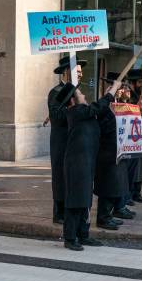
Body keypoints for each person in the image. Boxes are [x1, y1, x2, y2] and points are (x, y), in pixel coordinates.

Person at [59, 79, 119, 251]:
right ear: (72, 101)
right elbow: (97, 106)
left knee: (85, 200)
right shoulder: (75, 112)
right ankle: (70, 237)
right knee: (75, 200)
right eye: (79, 93)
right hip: (76, 164)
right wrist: (112, 90)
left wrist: (109, 96)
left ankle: (83, 234)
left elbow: (101, 110)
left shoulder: (85, 113)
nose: (83, 95)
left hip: (87, 162)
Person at [47, 56, 86, 224]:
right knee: (60, 176)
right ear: (66, 73)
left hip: (75, 141)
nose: (81, 74)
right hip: (61, 141)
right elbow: (56, 117)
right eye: (77, 72)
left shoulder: (78, 91)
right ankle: (59, 212)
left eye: (81, 72)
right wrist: (73, 108)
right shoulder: (56, 92)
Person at [94, 72, 133, 231]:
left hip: (118, 151)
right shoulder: (103, 105)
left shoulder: (120, 105)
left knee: (115, 184)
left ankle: (110, 214)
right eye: (117, 88)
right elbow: (102, 126)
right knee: (107, 186)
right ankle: (102, 218)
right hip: (106, 152)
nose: (121, 91)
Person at [126, 69, 142, 204]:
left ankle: (137, 191)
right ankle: (129, 193)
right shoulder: (129, 98)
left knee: (141, 164)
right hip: (132, 138)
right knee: (132, 166)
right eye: (140, 82)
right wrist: (137, 109)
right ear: (133, 83)